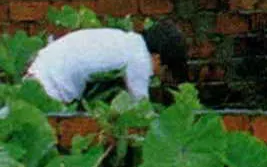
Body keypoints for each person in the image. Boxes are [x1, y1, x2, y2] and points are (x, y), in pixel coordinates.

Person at [24, 19, 188, 104]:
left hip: (45, 65)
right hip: (54, 83)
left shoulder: (130, 42)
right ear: (157, 58)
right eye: (163, 70)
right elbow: (141, 108)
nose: (158, 76)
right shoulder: (140, 60)